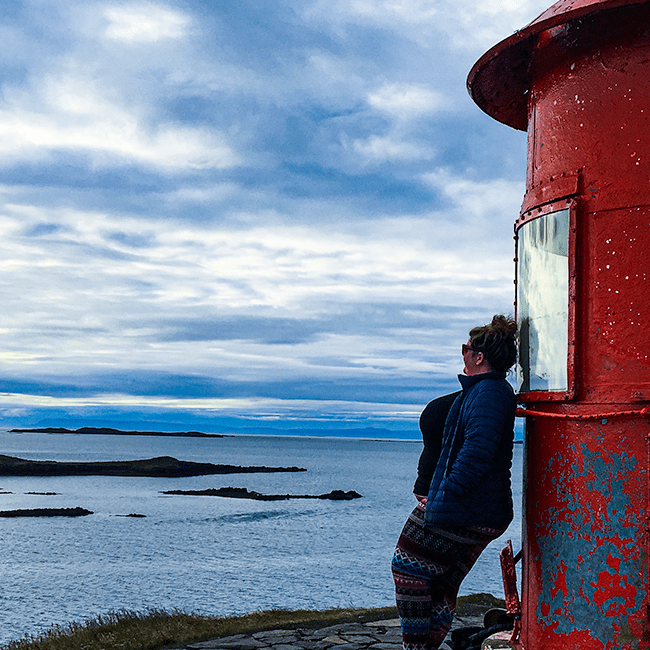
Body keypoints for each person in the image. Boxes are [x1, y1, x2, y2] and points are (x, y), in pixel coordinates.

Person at [391, 314, 518, 650]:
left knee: (407, 566)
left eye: (467, 347)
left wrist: (442, 495)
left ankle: (417, 648)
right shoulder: (483, 392)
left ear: (480, 357)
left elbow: (477, 454)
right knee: (442, 581)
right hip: (479, 509)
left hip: (470, 509)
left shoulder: (490, 393)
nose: (462, 352)